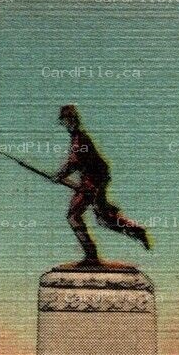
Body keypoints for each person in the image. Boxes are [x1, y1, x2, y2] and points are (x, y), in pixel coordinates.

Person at [55, 105, 152, 263]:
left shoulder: (81, 139)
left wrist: (59, 175)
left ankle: (92, 254)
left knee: (79, 216)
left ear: (72, 120)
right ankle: (134, 231)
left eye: (67, 120)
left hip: (95, 182)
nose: (66, 124)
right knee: (99, 218)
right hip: (90, 181)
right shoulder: (76, 138)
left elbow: (75, 162)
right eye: (64, 121)